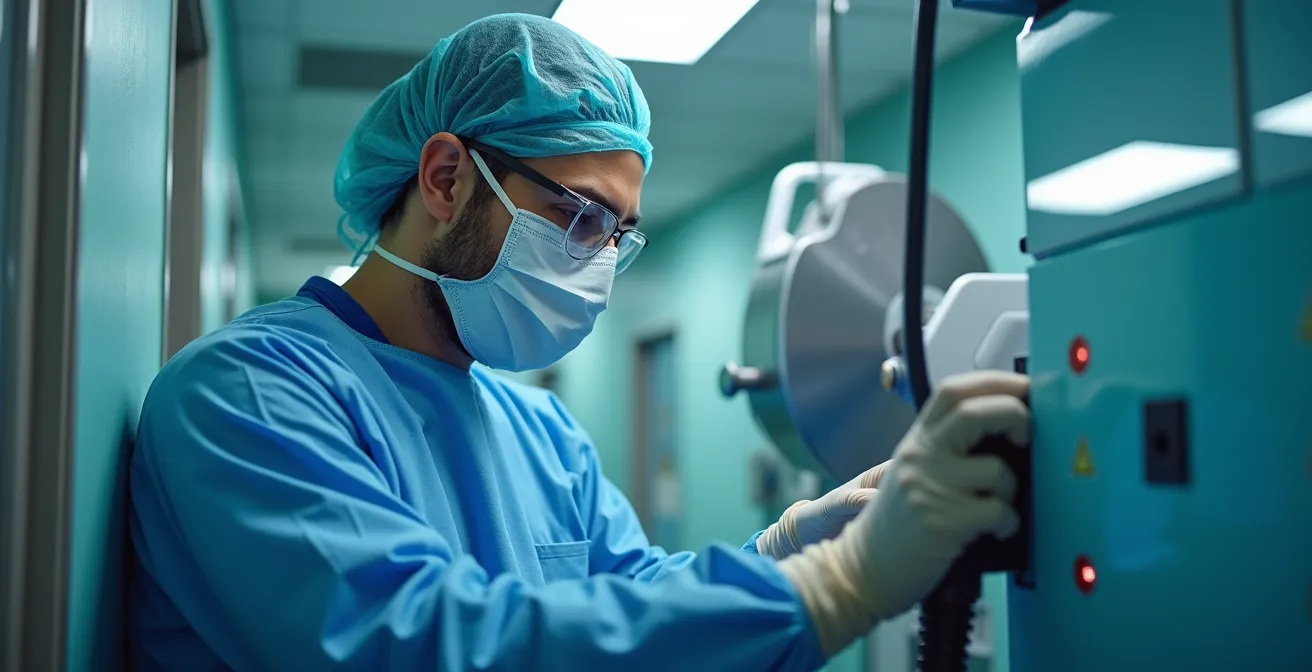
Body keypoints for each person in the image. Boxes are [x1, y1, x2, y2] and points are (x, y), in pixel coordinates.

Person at [128, 13, 1030, 671]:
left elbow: (625, 603)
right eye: (579, 215)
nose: (598, 261)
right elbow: (426, 645)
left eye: (619, 235)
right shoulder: (244, 395)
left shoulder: (542, 435)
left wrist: (799, 544)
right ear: (446, 177)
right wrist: (840, 587)